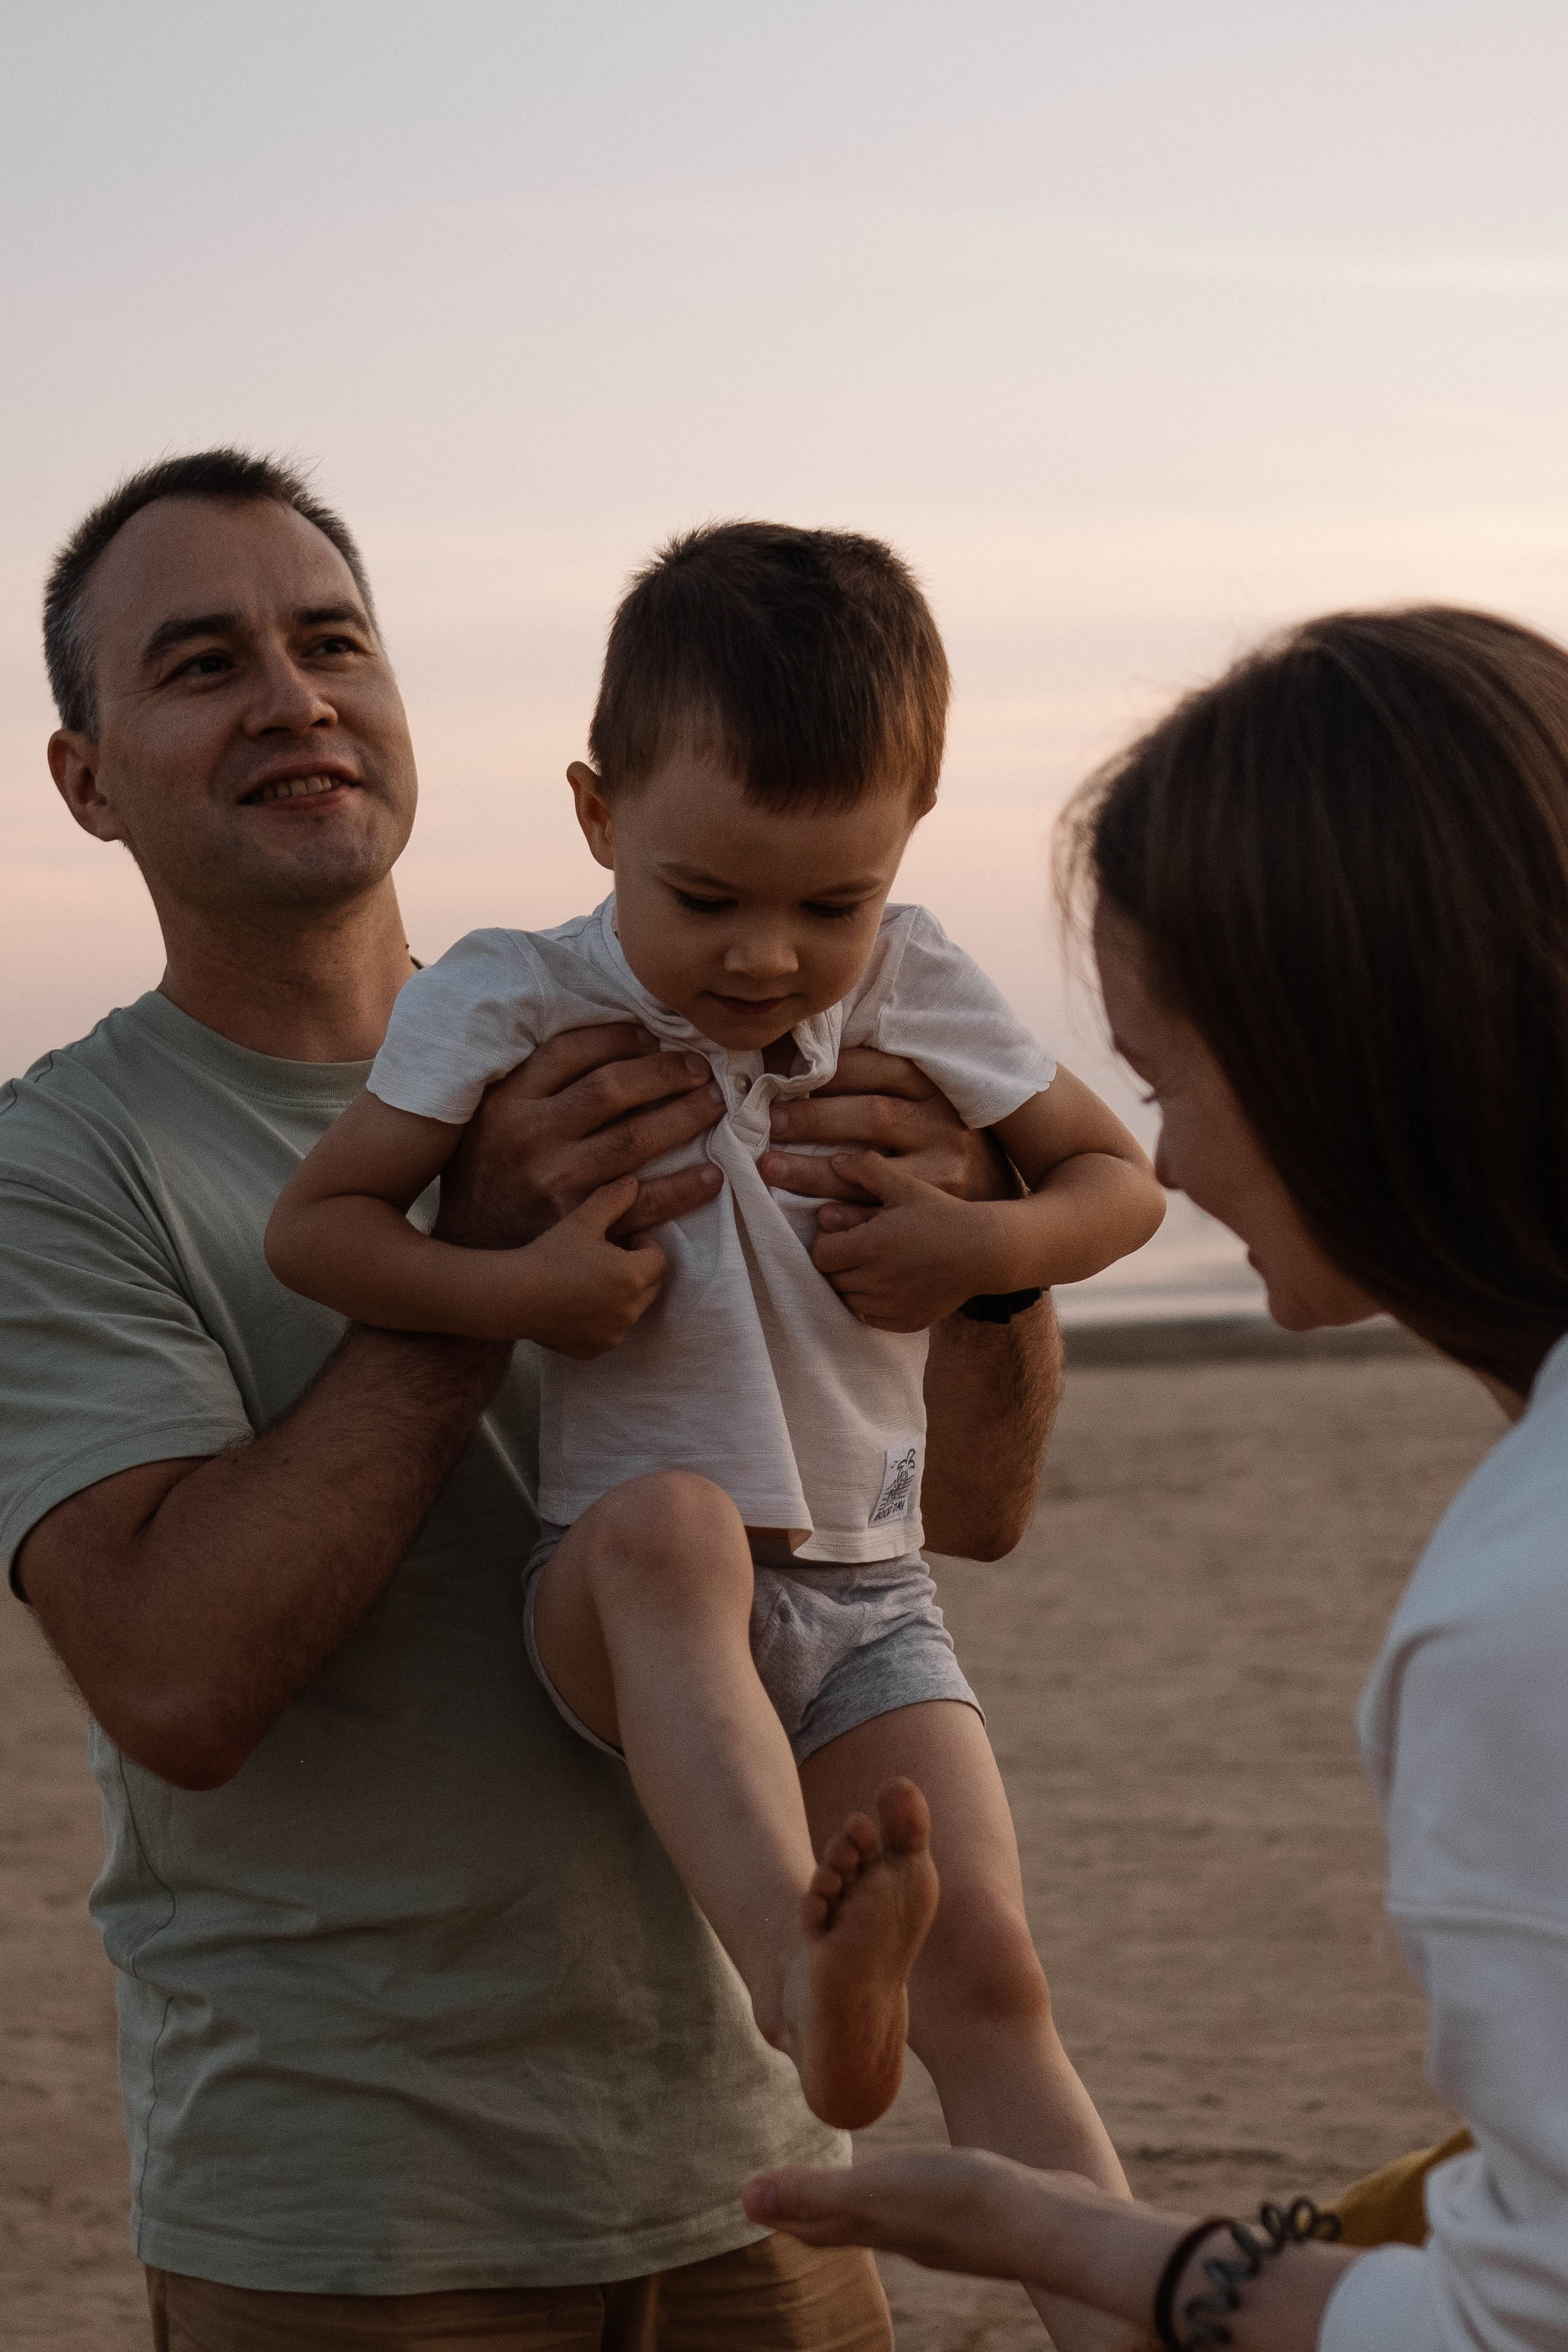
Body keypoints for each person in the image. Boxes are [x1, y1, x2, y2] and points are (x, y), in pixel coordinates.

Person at [1, 450, 1085, 2352]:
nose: (292, 694)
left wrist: (979, 1240)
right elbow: (175, 1681)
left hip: (755, 2163)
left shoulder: (672, 1005)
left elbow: (970, 1516)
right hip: (357, 2217)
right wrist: (483, 1254)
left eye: (332, 640)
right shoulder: (62, 1167)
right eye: (199, 664)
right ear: (83, 782)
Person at [265, 524, 1164, 2144]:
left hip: (871, 1587)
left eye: (834, 899)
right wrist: (518, 1291)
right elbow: (319, 1229)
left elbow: (1118, 1184)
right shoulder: (518, 992)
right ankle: (796, 1977)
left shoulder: (911, 983)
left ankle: (1116, 2302)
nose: (767, 954)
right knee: (676, 1523)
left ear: (911, 838)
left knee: (997, 1988)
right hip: (624, 1591)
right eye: (706, 896)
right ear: (600, 814)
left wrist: (981, 1245)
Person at [742, 606, 1568, 2351]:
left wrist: (1120, 2257)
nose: (1170, 1160)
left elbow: (1518, 2323)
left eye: (1168, 1077)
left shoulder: (1518, 1621)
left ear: (1347, 1048)